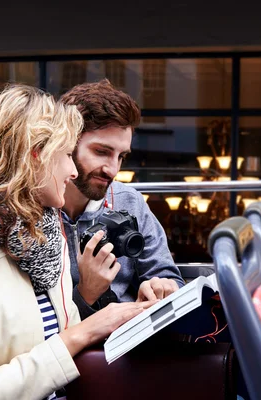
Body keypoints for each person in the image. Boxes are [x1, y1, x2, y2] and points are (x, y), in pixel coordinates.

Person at [0, 85, 154, 400]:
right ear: (36, 154)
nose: (73, 171)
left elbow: (62, 361)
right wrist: (85, 331)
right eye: (65, 155)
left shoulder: (46, 239)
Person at [59, 80, 184, 319]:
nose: (113, 170)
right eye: (102, 152)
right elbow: (36, 324)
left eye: (121, 156)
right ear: (66, 143)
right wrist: (87, 294)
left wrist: (162, 287)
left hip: (131, 345)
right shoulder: (33, 209)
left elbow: (169, 275)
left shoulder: (130, 202)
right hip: (69, 350)